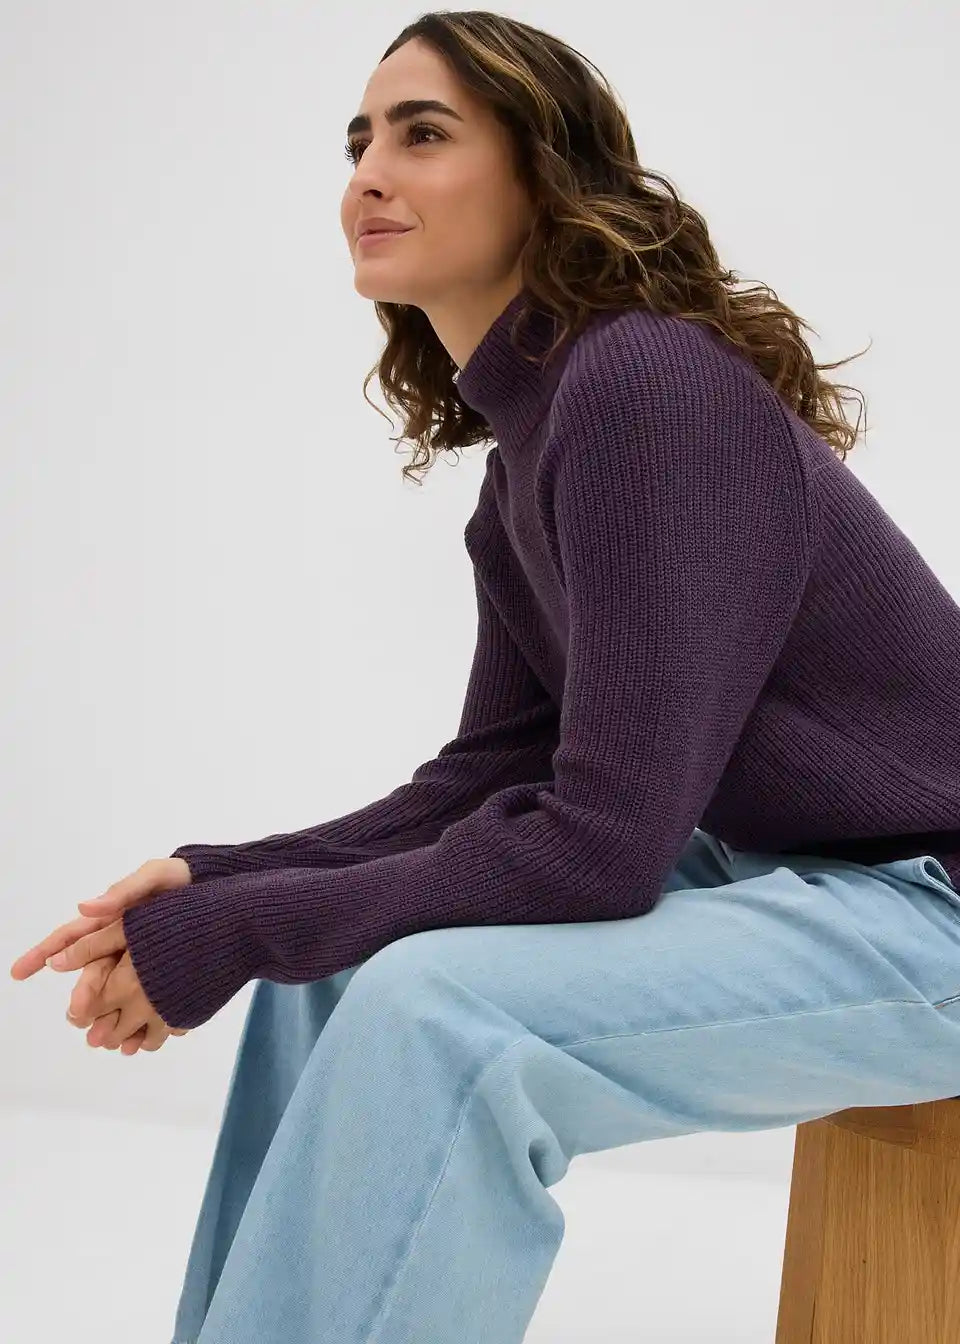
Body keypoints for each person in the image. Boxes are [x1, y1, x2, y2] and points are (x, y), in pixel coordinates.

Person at [11, 11, 960, 1343]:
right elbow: (487, 780)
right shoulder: (535, 451)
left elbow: (604, 849)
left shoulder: (648, 387)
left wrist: (235, 930)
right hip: (802, 883)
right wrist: (222, 883)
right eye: (358, 143)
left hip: (932, 910)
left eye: (423, 134)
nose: (369, 175)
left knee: (434, 1010)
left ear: (543, 173)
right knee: (333, 971)